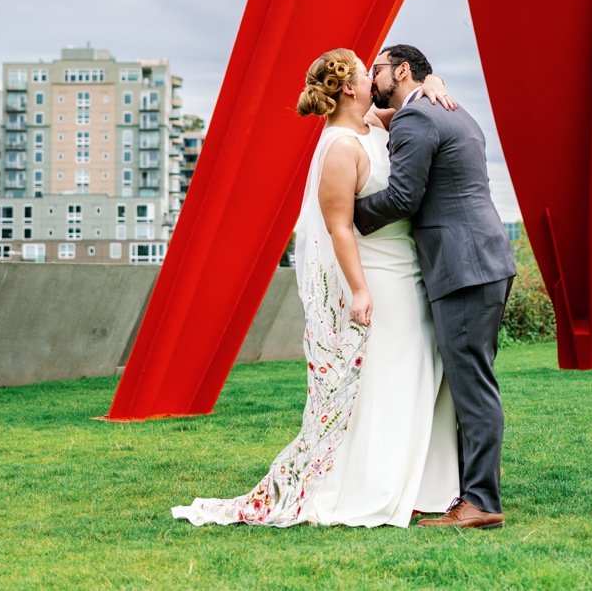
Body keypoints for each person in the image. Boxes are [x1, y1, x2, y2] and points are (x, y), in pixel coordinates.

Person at [172, 48, 458, 527]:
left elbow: (412, 101)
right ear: (349, 87)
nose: (374, 79)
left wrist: (436, 82)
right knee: (387, 381)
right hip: (378, 278)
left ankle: (419, 481)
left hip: (409, 269)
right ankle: (373, 485)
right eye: (368, 74)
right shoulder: (339, 148)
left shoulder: (375, 126)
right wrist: (360, 291)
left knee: (416, 373)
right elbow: (339, 227)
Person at [354, 44, 517, 531]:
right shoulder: (448, 109)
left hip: (462, 267)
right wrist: (435, 80)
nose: (371, 77)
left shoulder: (417, 119)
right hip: (483, 260)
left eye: (377, 69)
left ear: (402, 70)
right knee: (472, 382)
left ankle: (481, 502)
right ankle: (468, 492)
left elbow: (404, 196)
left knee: (473, 387)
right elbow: (384, 114)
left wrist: (345, 217)